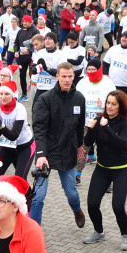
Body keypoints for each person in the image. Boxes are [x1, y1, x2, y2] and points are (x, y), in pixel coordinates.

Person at [30, 62, 86, 226]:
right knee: (38, 197)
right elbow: (39, 129)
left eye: (70, 76)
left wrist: (79, 145)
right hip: (46, 152)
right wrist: (41, 154)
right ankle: (33, 232)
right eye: (63, 76)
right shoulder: (45, 99)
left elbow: (79, 125)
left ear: (74, 77)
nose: (67, 80)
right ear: (57, 77)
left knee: (72, 193)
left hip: (67, 151)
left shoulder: (79, 98)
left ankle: (77, 210)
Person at [82, 90, 127, 250]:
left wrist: (106, 128)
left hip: (121, 170)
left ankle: (125, 235)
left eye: (113, 104)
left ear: (120, 106)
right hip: (102, 169)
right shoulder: (99, 120)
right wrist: (91, 129)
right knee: (92, 203)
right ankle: (99, 232)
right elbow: (87, 143)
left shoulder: (125, 124)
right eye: (108, 103)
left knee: (118, 206)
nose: (109, 106)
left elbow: (121, 144)